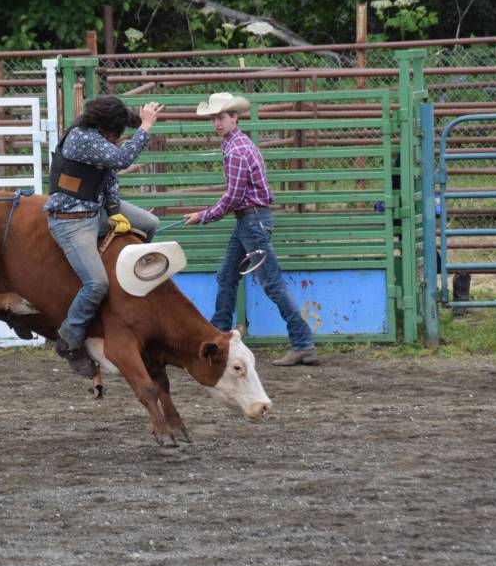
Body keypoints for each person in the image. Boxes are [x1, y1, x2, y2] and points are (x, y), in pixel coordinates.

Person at [183, 92, 318, 366]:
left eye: (221, 117)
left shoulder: (236, 150)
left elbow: (233, 196)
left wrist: (203, 215)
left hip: (251, 221)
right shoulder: (239, 145)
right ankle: (217, 336)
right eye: (213, 119)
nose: (216, 123)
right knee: (227, 277)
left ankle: (302, 343)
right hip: (250, 221)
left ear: (234, 117)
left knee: (271, 284)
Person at [45, 96, 164, 376]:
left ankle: (129, 288)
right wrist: (145, 127)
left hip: (95, 210)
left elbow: (109, 176)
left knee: (149, 223)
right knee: (96, 284)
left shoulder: (98, 137)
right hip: (71, 220)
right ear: (104, 127)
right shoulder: (82, 138)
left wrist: (113, 210)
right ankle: (69, 338)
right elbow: (122, 160)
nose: (117, 137)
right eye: (116, 132)